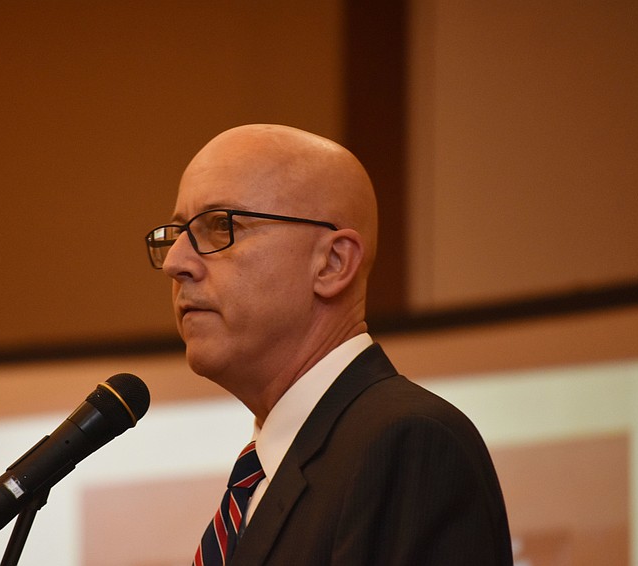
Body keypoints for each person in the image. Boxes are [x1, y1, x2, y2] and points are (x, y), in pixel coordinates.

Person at [145, 124, 513, 565]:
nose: (175, 262)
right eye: (176, 234)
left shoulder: (408, 443)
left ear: (333, 263)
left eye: (221, 226)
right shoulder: (269, 474)